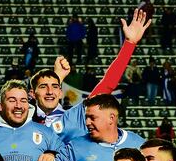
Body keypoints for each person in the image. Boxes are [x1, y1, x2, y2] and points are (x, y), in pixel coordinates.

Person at [31, 8, 151, 141]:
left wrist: (129, 44)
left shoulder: (77, 116)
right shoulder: (22, 116)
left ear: (61, 93)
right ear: (32, 93)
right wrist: (57, 77)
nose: (50, 92)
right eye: (43, 87)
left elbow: (108, 84)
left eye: (55, 87)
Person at [54, 94, 146, 161]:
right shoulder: (75, 147)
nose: (87, 123)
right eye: (86, 118)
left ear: (111, 118)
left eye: (92, 118)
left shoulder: (139, 144)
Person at [0, 80, 62, 161]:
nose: (18, 106)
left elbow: (67, 157)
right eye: (12, 100)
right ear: (0, 106)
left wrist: (53, 155)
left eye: (23, 100)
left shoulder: (46, 132)